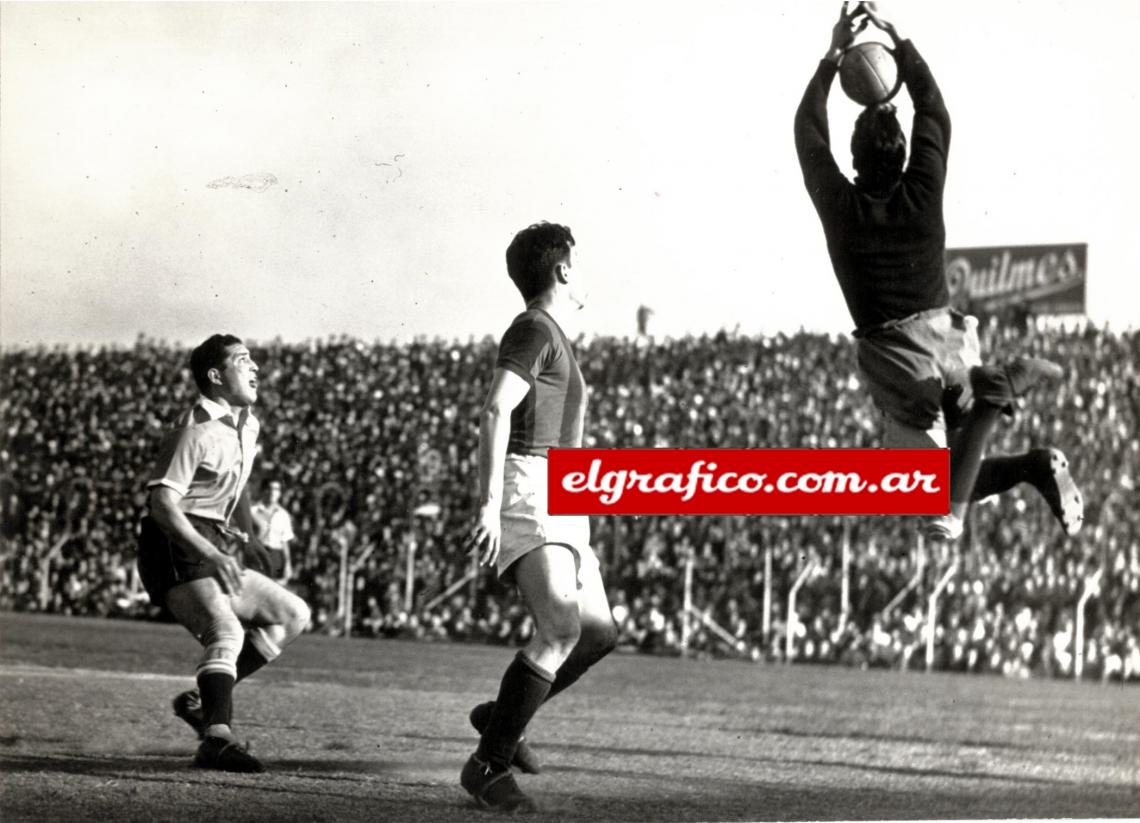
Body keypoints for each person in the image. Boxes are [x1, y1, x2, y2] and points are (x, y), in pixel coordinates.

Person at [793, 3, 1083, 540]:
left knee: (919, 491)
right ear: (904, 155)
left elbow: (808, 136)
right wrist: (901, 43)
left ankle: (1007, 389)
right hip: (950, 343)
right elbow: (935, 115)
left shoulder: (840, 206)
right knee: (942, 477)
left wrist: (833, 58)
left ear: (854, 162)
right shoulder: (922, 189)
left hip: (895, 356)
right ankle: (1028, 458)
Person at [461, 222, 619, 811]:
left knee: (599, 632)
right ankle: (489, 765)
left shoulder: (552, 333)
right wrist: (488, 503)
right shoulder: (533, 328)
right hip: (531, 484)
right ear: (563, 269)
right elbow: (495, 408)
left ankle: (500, 721)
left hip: (563, 491)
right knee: (560, 630)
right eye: (577, 261)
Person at [137, 334, 311, 773]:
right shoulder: (193, 428)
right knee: (226, 632)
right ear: (216, 376)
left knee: (292, 614)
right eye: (242, 360)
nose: (254, 367)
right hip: (175, 543)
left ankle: (202, 703)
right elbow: (161, 504)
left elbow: (240, 483)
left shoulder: (247, 423)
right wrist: (214, 555)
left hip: (212, 540)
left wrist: (249, 537)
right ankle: (216, 737)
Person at [251, 479, 296, 585]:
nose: (272, 492)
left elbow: (284, 542)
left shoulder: (283, 515)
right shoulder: (253, 511)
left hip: (276, 556)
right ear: (263, 490)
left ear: (279, 493)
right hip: (258, 554)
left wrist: (288, 564)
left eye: (276, 489)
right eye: (269, 488)